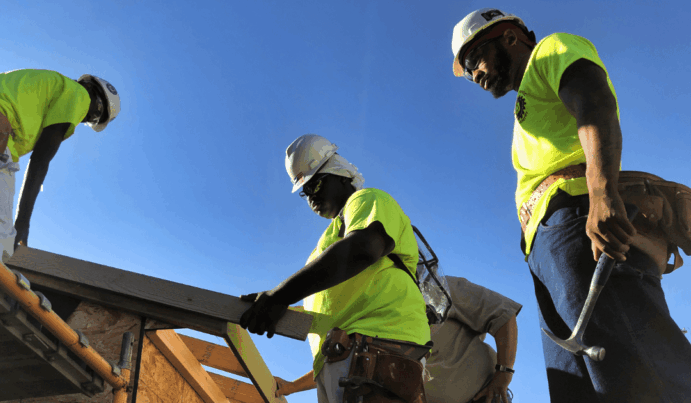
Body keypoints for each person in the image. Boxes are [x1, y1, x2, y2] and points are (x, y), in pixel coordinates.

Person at [450, 8, 691, 402]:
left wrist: (601, 192)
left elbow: (594, 100)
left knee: (640, 371)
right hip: (549, 248)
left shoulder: (551, 49)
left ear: (509, 36)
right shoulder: (525, 103)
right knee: (581, 389)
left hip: (580, 222)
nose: (474, 73)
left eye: (474, 57)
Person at [239, 134, 431, 403]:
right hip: (345, 355)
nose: (310, 197)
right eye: (305, 192)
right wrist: (269, 306)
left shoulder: (367, 200)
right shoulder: (328, 242)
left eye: (315, 185)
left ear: (341, 176)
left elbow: (363, 248)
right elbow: (326, 303)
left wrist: (279, 296)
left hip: (376, 347)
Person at [0, 69, 119, 261]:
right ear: (97, 103)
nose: (85, 119)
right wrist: (22, 222)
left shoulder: (41, 82)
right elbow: (40, 161)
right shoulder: (78, 94)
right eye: (94, 118)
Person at [273, 276, 521, 403]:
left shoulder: (434, 289)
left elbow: (502, 315)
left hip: (486, 396)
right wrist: (291, 387)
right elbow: (347, 362)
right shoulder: (371, 318)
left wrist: (504, 374)